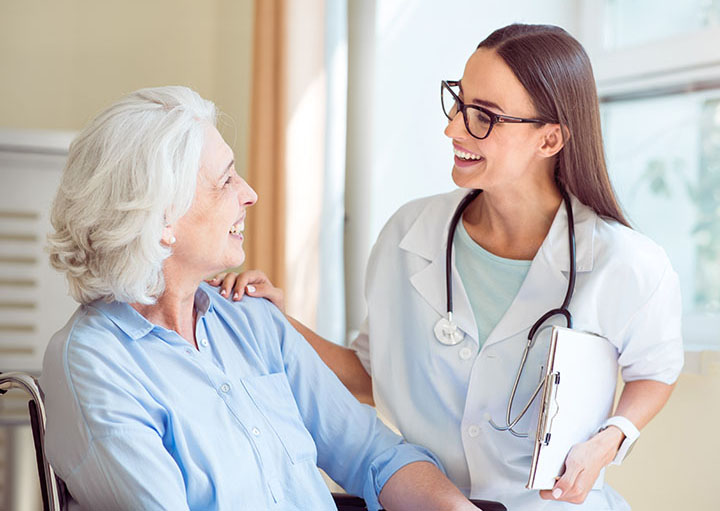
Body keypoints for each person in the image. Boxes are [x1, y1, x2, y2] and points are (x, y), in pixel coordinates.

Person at [213, 24, 684, 510]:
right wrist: (274, 321)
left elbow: (655, 371)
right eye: (460, 103)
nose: (454, 128)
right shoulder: (408, 234)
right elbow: (371, 376)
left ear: (550, 139)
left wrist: (611, 437)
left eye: (485, 116)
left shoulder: (623, 262)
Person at [40, 86, 480, 511]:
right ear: (160, 220)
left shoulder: (252, 321)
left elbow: (375, 455)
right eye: (224, 180)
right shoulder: (94, 361)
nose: (249, 194)